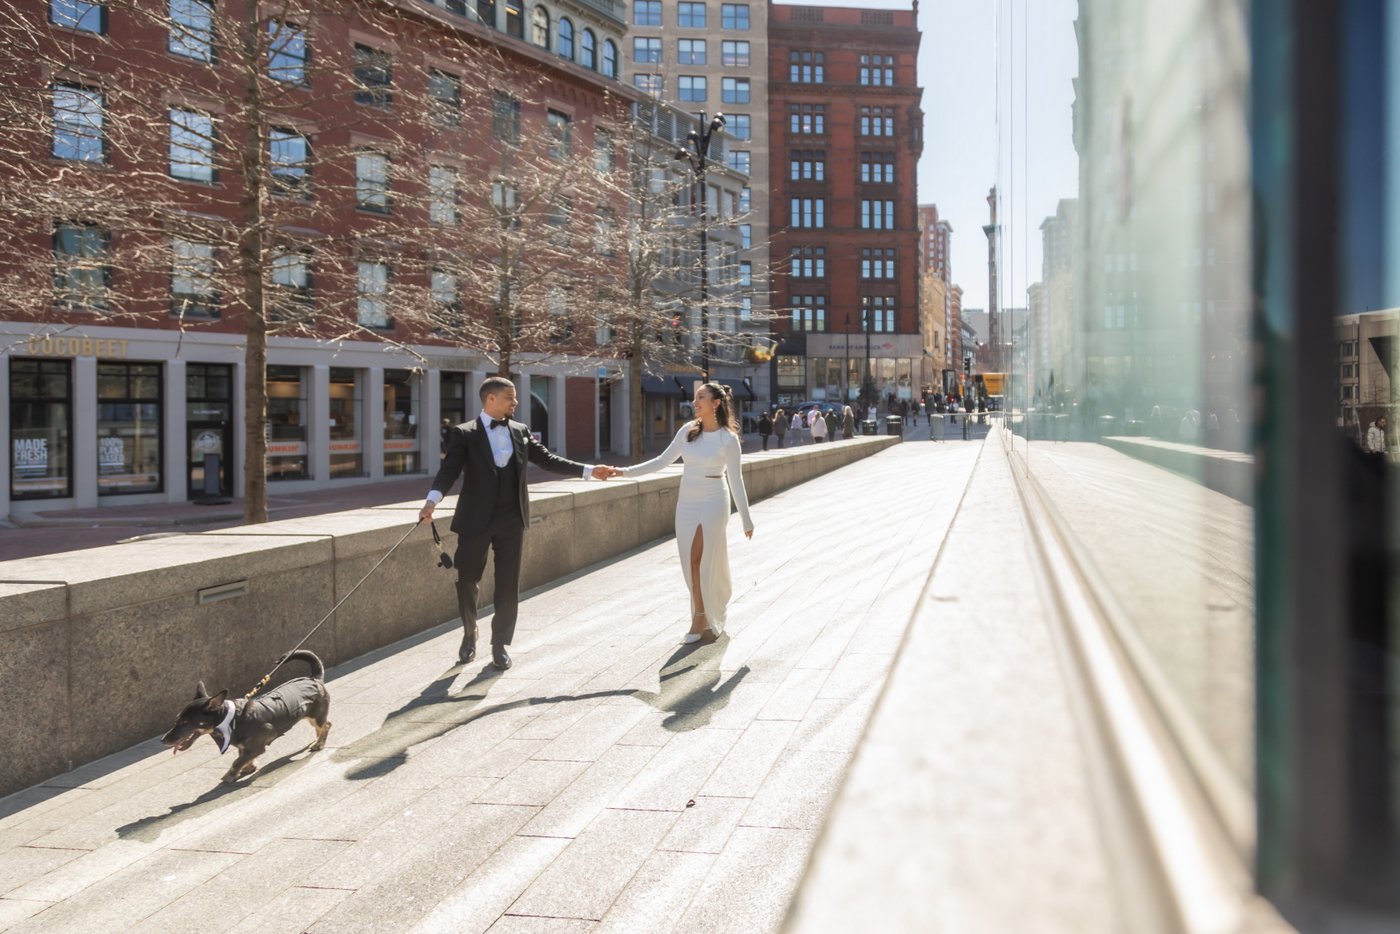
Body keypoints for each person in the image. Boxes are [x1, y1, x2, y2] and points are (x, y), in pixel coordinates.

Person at [418, 376, 614, 671]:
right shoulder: (464, 433)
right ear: (491, 400)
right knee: (467, 579)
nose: (516, 402)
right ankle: (470, 631)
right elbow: (449, 469)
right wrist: (432, 501)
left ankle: (500, 645)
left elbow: (547, 460)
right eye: (510, 398)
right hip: (475, 520)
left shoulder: (520, 431)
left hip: (512, 518)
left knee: (508, 584)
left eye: (515, 398)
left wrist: (589, 471)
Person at [618, 383, 754, 644]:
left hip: (714, 499)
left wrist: (746, 519)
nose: (695, 402)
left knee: (700, 557)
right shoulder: (688, 431)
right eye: (694, 397)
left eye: (701, 397)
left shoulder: (728, 438)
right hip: (687, 501)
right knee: (688, 561)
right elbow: (660, 461)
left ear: (715, 403)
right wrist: (623, 472)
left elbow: (736, 480)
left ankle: (700, 617)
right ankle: (701, 611)